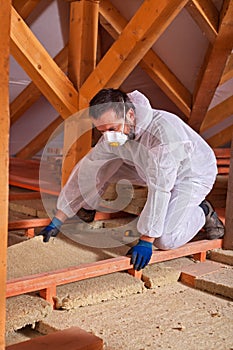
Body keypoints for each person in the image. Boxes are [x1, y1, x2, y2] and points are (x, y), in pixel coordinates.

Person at [39, 88, 224, 271]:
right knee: (99, 165)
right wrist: (59, 217)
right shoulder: (119, 131)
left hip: (191, 175)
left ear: (130, 114)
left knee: (165, 239)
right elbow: (88, 168)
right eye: (102, 131)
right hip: (146, 167)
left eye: (112, 128)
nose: (109, 136)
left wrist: (146, 239)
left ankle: (203, 211)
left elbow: (160, 187)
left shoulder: (164, 133)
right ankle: (86, 208)